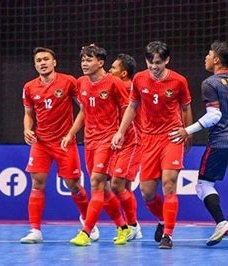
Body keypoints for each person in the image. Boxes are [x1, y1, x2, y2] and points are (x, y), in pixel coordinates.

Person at [169, 41, 228, 248]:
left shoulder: (210, 83)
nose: (206, 57)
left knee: (203, 185)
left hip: (221, 141)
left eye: (209, 54)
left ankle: (221, 222)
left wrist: (187, 131)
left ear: (217, 60)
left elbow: (214, 115)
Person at [111, 41, 193, 249]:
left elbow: (185, 108)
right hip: (148, 140)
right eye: (150, 62)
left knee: (168, 184)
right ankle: (163, 219)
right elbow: (132, 106)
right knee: (147, 193)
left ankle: (168, 235)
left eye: (158, 62)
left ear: (167, 60)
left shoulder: (178, 81)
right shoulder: (139, 79)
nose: (154, 67)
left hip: (171, 137)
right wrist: (120, 132)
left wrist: (188, 132)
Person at [20, 47, 98, 243]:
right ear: (35, 64)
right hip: (41, 143)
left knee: (73, 185)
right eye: (38, 60)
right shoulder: (29, 87)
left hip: (65, 143)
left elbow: (84, 108)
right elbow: (29, 114)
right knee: (37, 183)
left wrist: (71, 133)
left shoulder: (69, 81)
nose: (42, 63)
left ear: (54, 62)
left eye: (46, 59)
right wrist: (27, 130)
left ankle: (88, 222)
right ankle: (35, 231)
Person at [62, 44, 132, 246]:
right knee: (105, 189)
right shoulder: (81, 83)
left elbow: (128, 108)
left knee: (95, 183)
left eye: (89, 59)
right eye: (83, 60)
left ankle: (86, 232)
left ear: (100, 63)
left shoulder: (113, 83)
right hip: (89, 141)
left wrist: (120, 132)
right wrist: (71, 133)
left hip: (107, 140)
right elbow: (83, 111)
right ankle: (123, 228)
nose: (84, 63)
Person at [108, 53, 143, 240]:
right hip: (120, 143)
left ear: (123, 73)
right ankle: (133, 226)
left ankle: (132, 225)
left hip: (134, 141)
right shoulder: (116, 88)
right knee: (125, 187)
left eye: (112, 68)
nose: (108, 71)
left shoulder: (129, 88)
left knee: (116, 185)